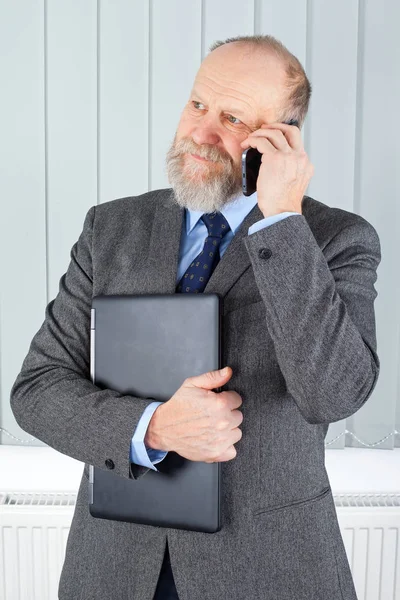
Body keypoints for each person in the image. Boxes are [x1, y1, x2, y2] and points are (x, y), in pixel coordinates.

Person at [10, 34, 380, 600]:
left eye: (232, 118)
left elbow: (333, 395)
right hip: (114, 569)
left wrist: (281, 219)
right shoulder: (110, 229)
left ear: (277, 141)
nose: (200, 133)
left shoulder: (335, 240)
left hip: (268, 571)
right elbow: (36, 391)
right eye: (198, 104)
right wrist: (153, 427)